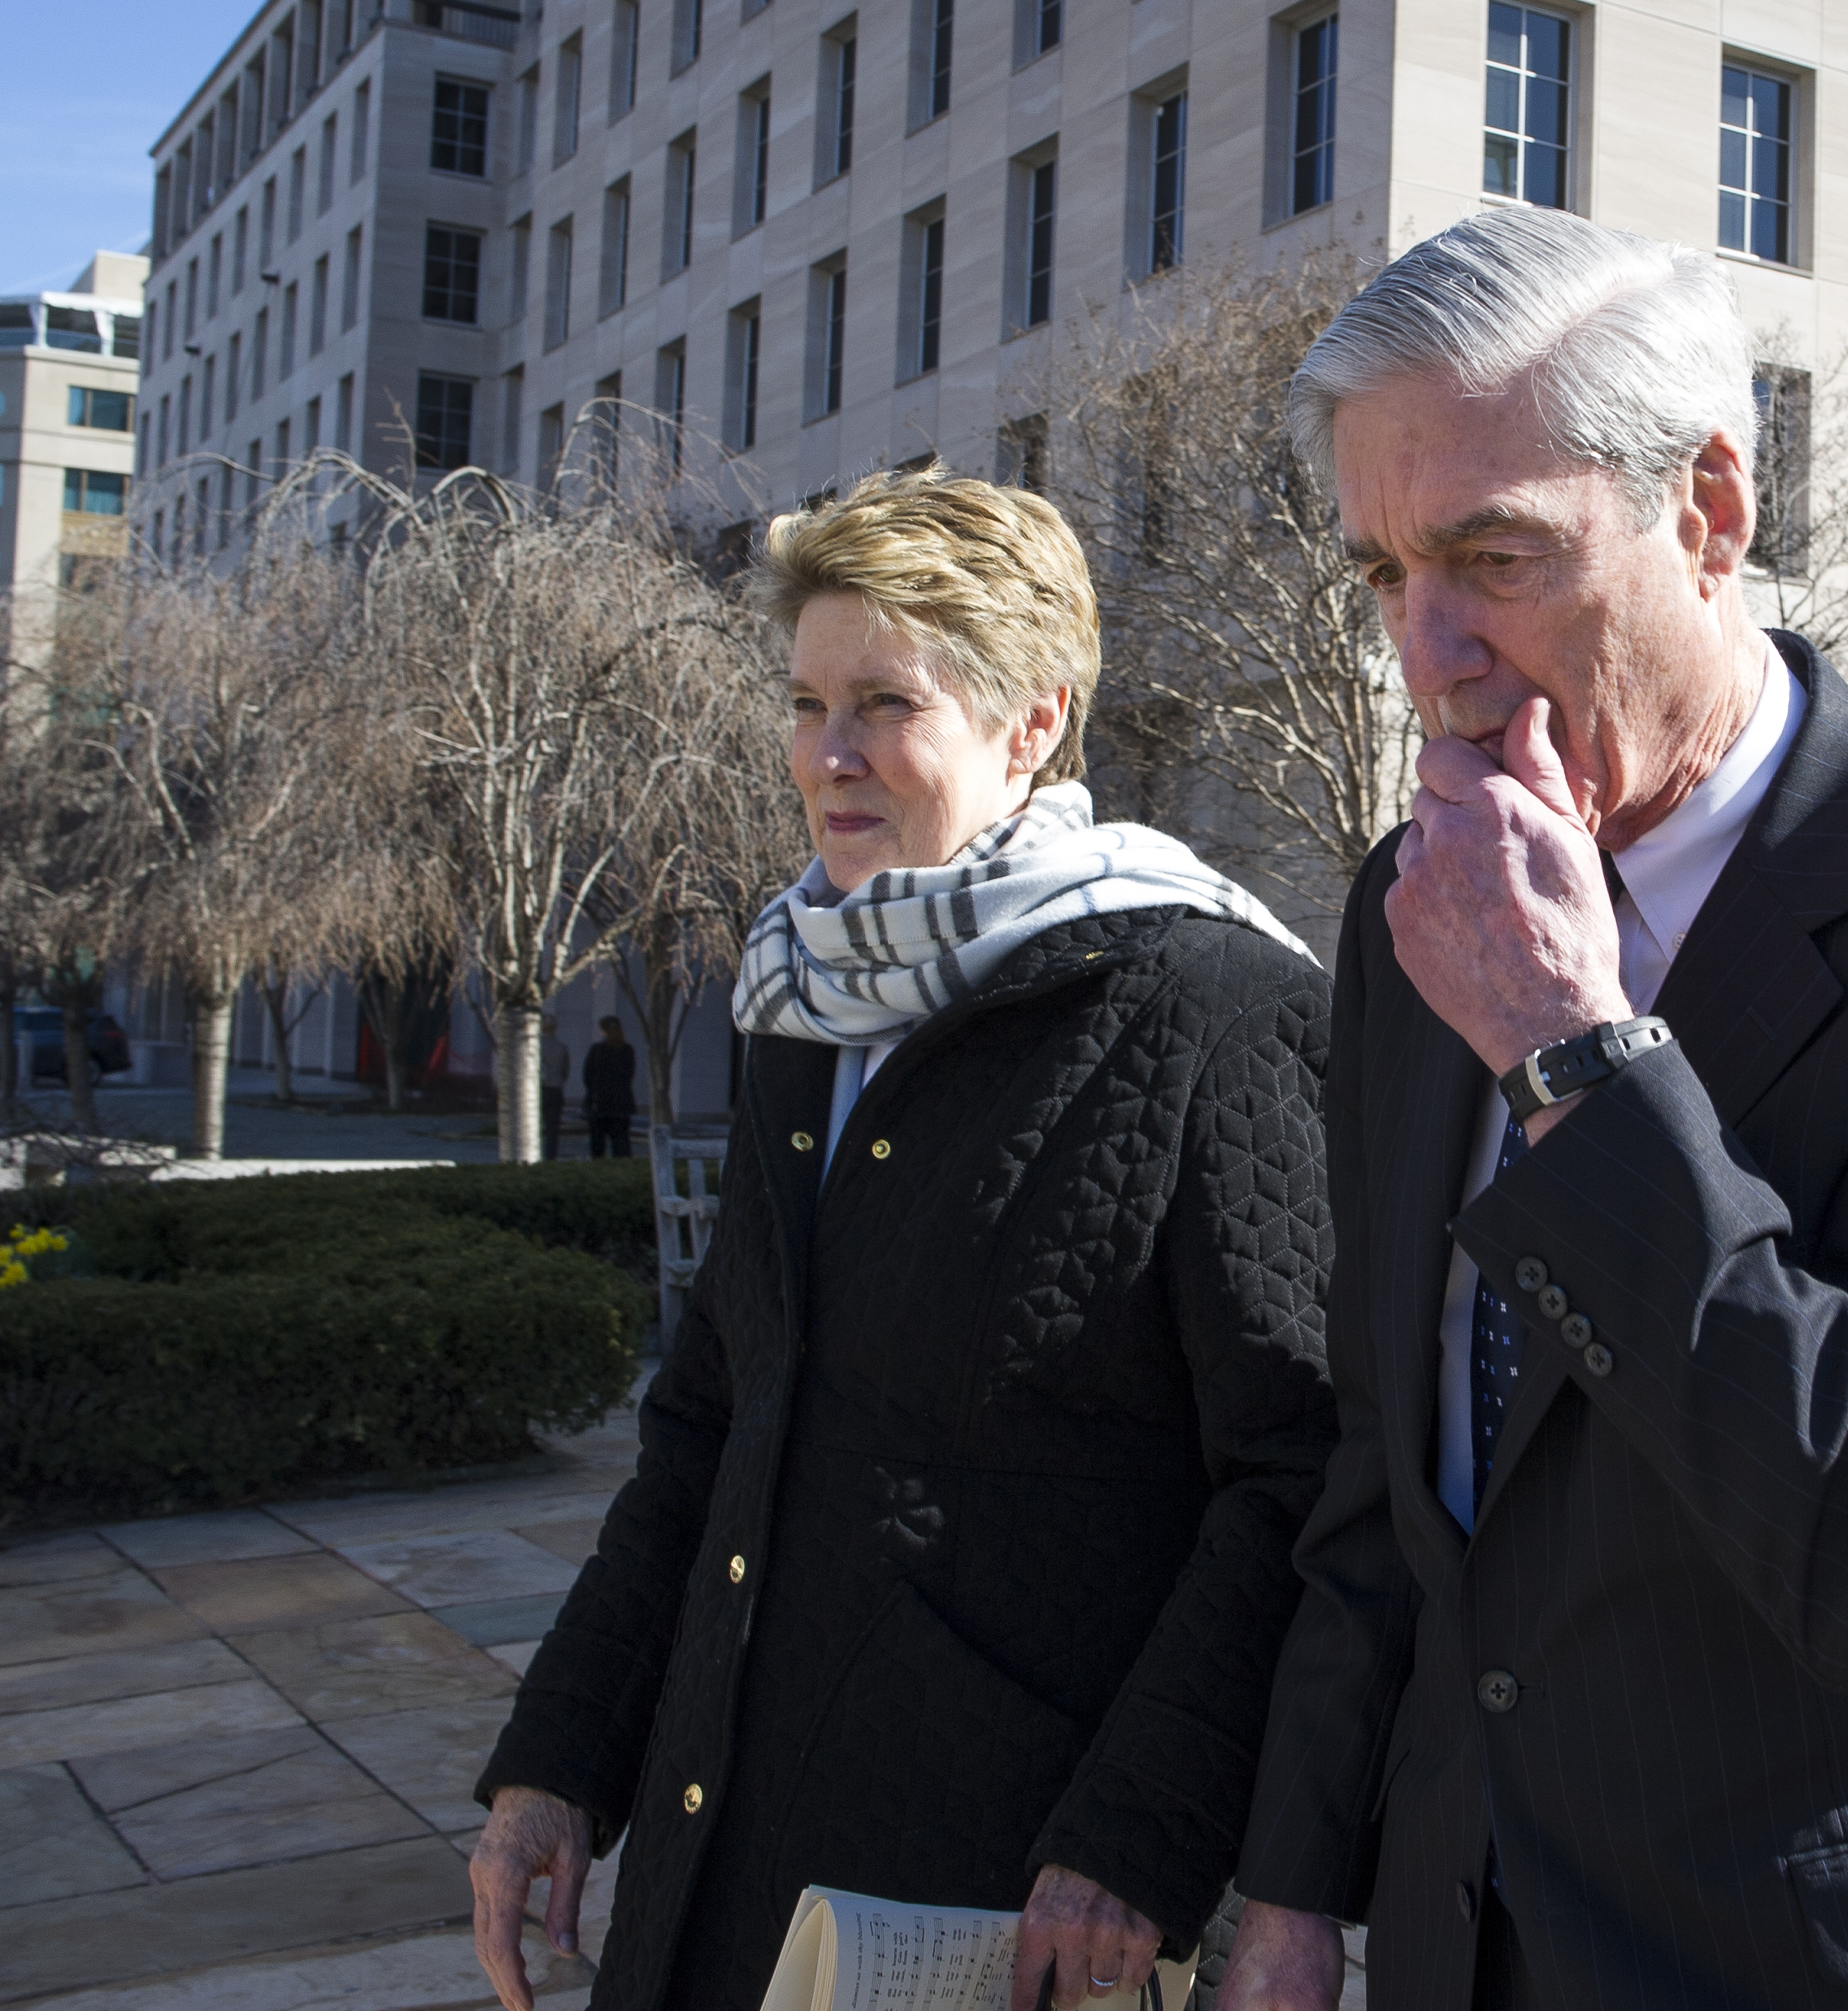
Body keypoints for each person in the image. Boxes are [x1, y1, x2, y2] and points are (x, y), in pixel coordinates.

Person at [1215, 209, 1848, 2011]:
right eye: (1380, 575)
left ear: (1712, 510)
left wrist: (1571, 1057)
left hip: (1817, 1958)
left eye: (1494, 557)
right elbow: (1389, 1462)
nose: (1427, 655)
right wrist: (1289, 1891)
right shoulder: (1406, 903)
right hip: (1462, 1933)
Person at [466, 472, 1340, 2011]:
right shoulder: (799, 1003)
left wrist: (1143, 1835)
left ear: (1034, 722)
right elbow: (704, 1425)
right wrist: (558, 1756)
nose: (830, 755)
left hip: (995, 1899)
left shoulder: (1212, 1012)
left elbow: (1305, 1475)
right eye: (807, 703)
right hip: (714, 1865)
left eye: (885, 701)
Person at [582, 1017, 637, 1158]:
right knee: (621, 1146)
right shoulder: (628, 1051)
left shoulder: (597, 1050)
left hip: (599, 1104)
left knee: (598, 1147)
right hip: (621, 1105)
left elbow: (587, 1076)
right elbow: (629, 1075)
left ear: (603, 1031)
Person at [539, 1016, 568, 1162]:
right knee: (553, 1129)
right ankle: (551, 1158)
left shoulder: (537, 1046)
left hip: (540, 1090)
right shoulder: (562, 1047)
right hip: (556, 1090)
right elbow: (565, 1073)